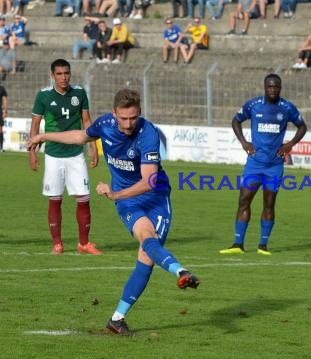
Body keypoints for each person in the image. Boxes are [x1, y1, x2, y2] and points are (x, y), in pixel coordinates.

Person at [28, 88, 201, 336]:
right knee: (147, 239)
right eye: (123, 118)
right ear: (114, 114)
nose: (128, 124)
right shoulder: (105, 124)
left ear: (139, 113)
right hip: (128, 201)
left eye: (133, 118)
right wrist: (44, 135)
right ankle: (181, 271)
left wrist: (114, 194)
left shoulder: (148, 134)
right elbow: (80, 136)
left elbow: (149, 181)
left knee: (146, 258)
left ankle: (116, 319)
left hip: (155, 198)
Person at [219, 74, 307, 256]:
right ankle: (238, 243)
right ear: (265, 87)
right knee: (244, 201)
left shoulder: (287, 108)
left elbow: (302, 126)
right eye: (270, 87)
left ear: (280, 88)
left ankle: (263, 245)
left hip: (274, 166)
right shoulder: (253, 105)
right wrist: (244, 142)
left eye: (276, 87)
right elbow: (236, 120)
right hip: (254, 164)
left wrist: (290, 144)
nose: (273, 90)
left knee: (269, 203)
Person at [27, 59, 101, 256]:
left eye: (66, 73)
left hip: (76, 154)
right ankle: (57, 243)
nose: (64, 77)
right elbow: (35, 127)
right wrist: (32, 154)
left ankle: (84, 243)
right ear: (52, 76)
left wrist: (94, 147)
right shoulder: (43, 96)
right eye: (59, 74)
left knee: (84, 198)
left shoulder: (79, 93)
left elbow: (87, 122)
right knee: (55, 200)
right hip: (53, 155)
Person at [0, 83, 6, 152]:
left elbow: (5, 99)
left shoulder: (1, 88)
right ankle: (1, 148)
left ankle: (1, 147)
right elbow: (5, 99)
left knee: (0, 129)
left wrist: (5, 111)